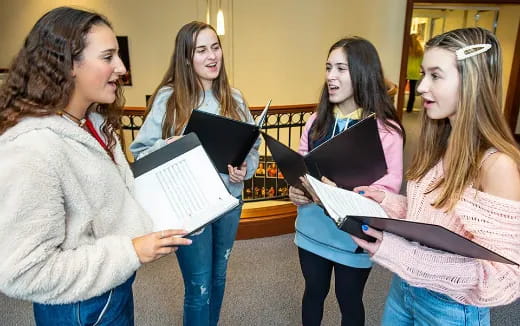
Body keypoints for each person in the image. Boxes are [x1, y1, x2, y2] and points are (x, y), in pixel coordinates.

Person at [0, 7, 192, 325]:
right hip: (77, 308)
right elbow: (22, 272)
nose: (121, 67)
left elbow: (103, 201)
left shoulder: (92, 124)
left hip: (109, 289)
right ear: (68, 64)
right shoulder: (32, 148)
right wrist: (131, 252)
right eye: (108, 57)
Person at [352, 27, 520, 325]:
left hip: (451, 309)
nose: (420, 87)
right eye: (424, 74)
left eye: (436, 75)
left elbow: (503, 278)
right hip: (406, 289)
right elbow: (435, 223)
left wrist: (398, 253)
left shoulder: (498, 166)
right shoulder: (440, 144)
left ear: (471, 82)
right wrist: (388, 202)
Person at [130, 21, 259, 326]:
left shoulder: (235, 98)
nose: (212, 56)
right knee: (199, 287)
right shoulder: (168, 99)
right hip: (190, 208)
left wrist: (245, 168)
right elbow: (140, 154)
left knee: (218, 278)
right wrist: (170, 143)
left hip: (229, 201)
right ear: (187, 58)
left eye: (215, 47)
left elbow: (251, 150)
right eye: (202, 50)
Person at [288, 37, 405, 326]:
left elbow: (388, 191)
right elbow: (301, 169)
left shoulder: (387, 131)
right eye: (328, 68)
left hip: (353, 236)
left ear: (363, 73)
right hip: (312, 229)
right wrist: (296, 191)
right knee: (313, 292)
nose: (330, 76)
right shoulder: (315, 122)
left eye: (341, 68)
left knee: (349, 299)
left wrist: (340, 193)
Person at [406, 33, 424, 113]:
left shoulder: (406, 49)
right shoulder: (420, 51)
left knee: (400, 91)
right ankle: (409, 109)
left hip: (405, 72)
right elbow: (422, 63)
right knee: (412, 93)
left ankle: (398, 106)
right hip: (415, 73)